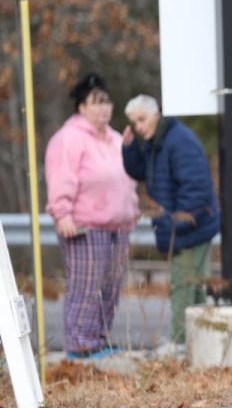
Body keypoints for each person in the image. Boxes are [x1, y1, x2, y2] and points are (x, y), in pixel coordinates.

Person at [44, 73, 139, 360]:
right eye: (96, 103)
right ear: (81, 107)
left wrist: (132, 210)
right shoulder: (68, 139)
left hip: (118, 224)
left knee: (110, 287)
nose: (103, 108)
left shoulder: (114, 138)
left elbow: (127, 178)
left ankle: (98, 339)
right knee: (86, 286)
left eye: (107, 102)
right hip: (84, 225)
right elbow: (61, 179)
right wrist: (62, 215)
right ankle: (80, 345)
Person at [121, 94, 219, 349]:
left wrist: (176, 225)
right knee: (196, 288)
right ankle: (198, 345)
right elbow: (141, 171)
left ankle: (180, 343)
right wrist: (130, 148)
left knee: (183, 287)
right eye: (134, 122)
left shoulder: (178, 141)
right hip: (188, 228)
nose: (139, 127)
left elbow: (196, 189)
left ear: (156, 114)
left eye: (142, 120)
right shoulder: (158, 142)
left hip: (189, 230)